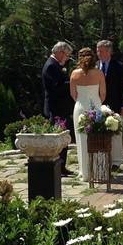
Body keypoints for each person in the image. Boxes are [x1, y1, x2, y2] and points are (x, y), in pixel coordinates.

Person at [69, 47, 107, 181]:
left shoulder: (74, 74)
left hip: (79, 108)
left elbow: (73, 95)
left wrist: (81, 102)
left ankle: (84, 172)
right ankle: (98, 169)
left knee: (81, 139)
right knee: (97, 139)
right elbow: (103, 94)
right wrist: (96, 103)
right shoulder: (99, 73)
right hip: (95, 107)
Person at [42, 41, 75, 176]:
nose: (67, 58)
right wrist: (72, 83)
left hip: (61, 107)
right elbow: (55, 88)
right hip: (56, 108)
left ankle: (62, 165)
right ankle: (57, 166)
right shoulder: (51, 66)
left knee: (63, 137)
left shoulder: (56, 65)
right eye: (67, 55)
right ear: (60, 52)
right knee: (58, 138)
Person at [96, 40, 123, 169]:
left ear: (109, 51)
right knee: (101, 133)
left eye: (101, 50)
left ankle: (116, 161)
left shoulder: (118, 66)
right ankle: (103, 158)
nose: (98, 53)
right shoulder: (95, 66)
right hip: (99, 105)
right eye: (97, 50)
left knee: (115, 132)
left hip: (115, 104)